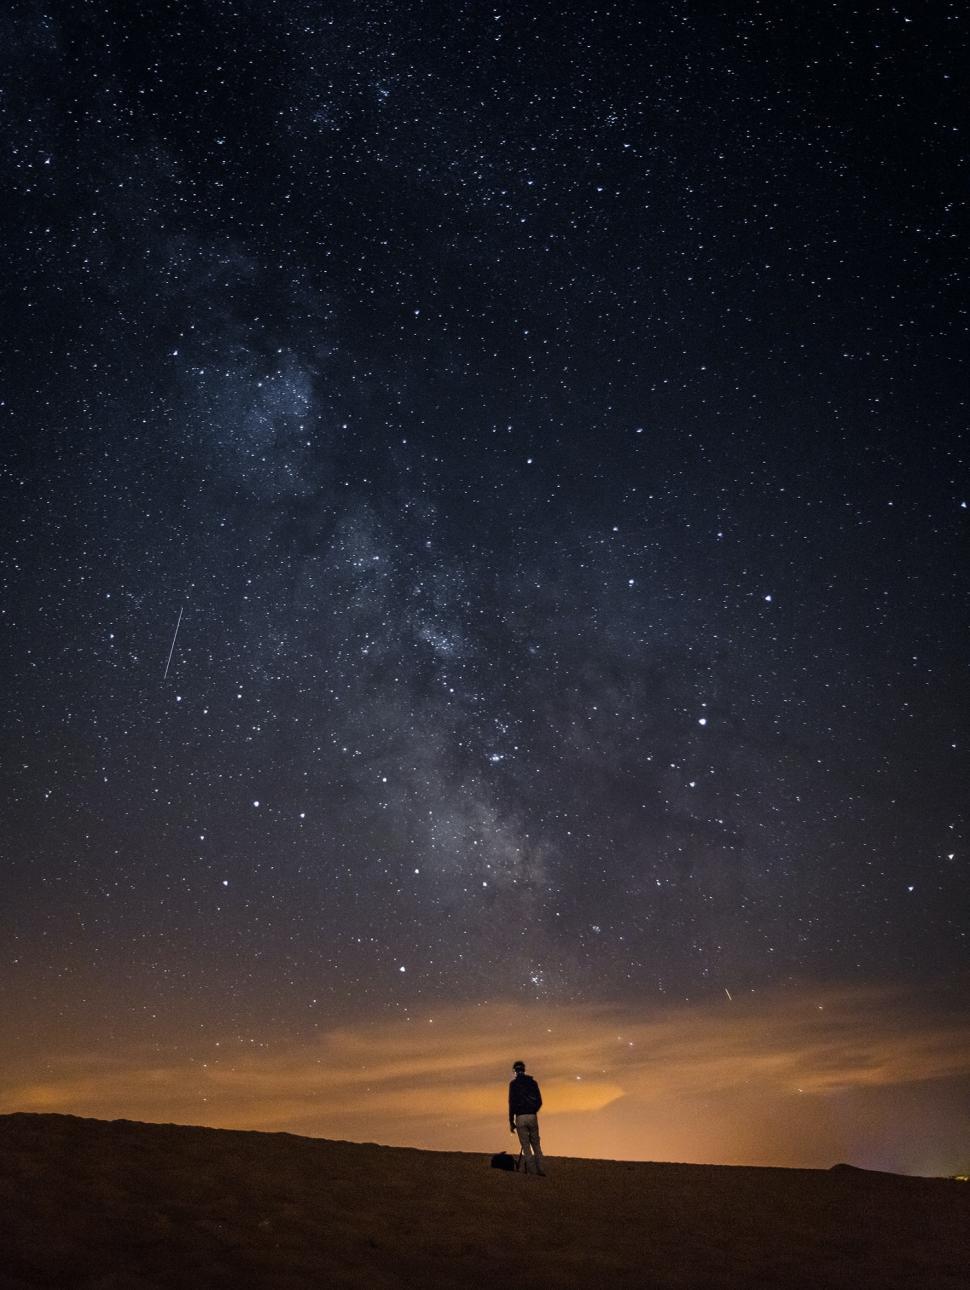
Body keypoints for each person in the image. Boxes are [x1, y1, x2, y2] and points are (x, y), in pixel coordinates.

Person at [508, 1059, 546, 1176]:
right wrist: (533, 1111)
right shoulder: (533, 1083)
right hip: (532, 1116)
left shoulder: (513, 1085)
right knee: (536, 1144)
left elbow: (512, 1104)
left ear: (515, 1071)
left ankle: (532, 1172)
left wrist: (511, 1121)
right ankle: (541, 1170)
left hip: (520, 1117)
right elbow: (539, 1101)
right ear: (524, 1070)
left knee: (526, 1146)